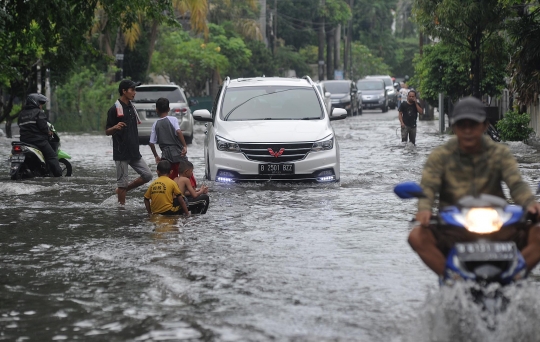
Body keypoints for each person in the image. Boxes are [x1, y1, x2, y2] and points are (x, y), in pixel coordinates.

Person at [408, 96, 540, 277]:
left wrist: (530, 203)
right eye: (462, 125)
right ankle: (451, 278)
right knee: (416, 236)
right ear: (454, 127)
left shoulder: (499, 153)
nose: (468, 131)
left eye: (474, 124)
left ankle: (516, 275)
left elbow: (516, 184)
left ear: (485, 126)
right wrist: (424, 210)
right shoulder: (441, 155)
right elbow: (428, 186)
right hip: (453, 229)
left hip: (499, 226)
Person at [106, 79, 153, 205]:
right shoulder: (114, 109)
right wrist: (115, 127)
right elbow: (107, 131)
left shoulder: (132, 107)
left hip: (134, 151)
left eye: (135, 90)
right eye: (132, 90)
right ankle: (121, 210)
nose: (135, 93)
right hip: (121, 153)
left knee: (147, 175)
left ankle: (123, 190)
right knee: (122, 183)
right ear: (124, 91)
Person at [18, 93, 62, 177]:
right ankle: (58, 176)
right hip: (38, 141)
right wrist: (49, 132)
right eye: (40, 104)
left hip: (24, 141)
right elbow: (43, 127)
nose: (41, 106)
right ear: (35, 102)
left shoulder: (22, 114)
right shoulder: (38, 112)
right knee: (52, 156)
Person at [148, 97, 188, 179]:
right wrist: (184, 146)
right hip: (178, 153)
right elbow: (178, 131)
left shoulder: (155, 124)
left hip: (165, 156)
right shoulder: (173, 119)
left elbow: (151, 143)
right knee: (184, 176)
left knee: (168, 178)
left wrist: (156, 156)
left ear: (156, 110)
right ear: (169, 109)